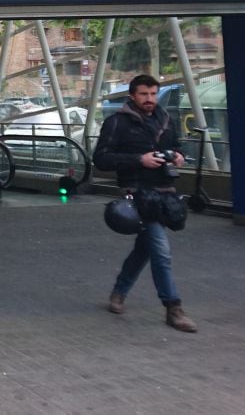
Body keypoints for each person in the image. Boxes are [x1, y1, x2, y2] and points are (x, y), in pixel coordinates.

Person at [94, 74, 197, 333]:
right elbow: (102, 159)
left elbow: (177, 145)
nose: (149, 99)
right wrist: (140, 159)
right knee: (160, 250)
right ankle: (173, 307)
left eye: (152, 94)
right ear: (132, 95)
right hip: (138, 193)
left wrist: (179, 155)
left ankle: (119, 291)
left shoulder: (165, 118)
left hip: (165, 193)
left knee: (145, 249)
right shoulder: (117, 123)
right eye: (144, 94)